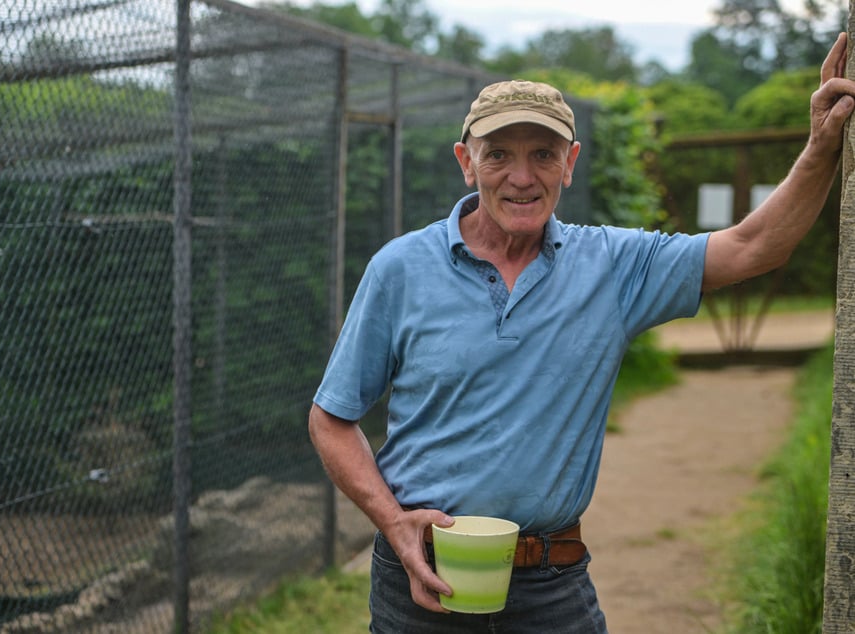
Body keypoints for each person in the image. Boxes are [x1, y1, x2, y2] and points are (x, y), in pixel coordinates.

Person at [309, 33, 855, 634]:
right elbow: (331, 417)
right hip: (417, 579)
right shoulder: (400, 268)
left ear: (570, 163)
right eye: (498, 155)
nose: (522, 176)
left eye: (543, 154)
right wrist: (392, 522)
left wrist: (822, 145)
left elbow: (753, 247)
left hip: (552, 585)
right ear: (466, 161)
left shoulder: (613, 267)